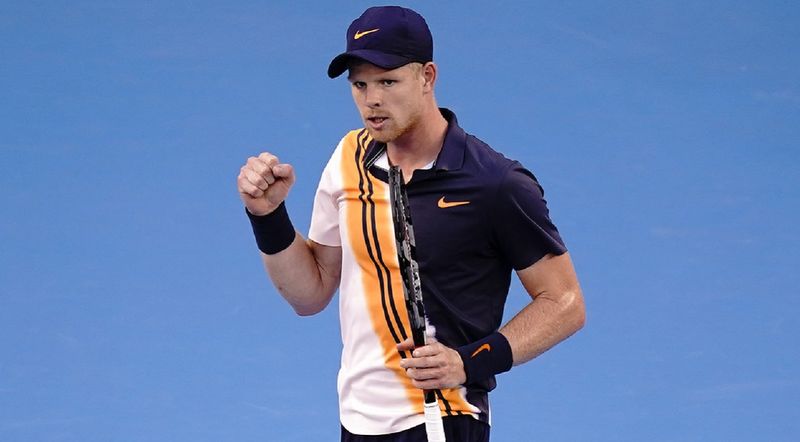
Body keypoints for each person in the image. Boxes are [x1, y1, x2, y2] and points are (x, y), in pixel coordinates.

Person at [237, 6, 585, 441]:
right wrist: (267, 216)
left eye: (387, 82)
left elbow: (564, 301)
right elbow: (310, 293)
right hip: (357, 419)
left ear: (427, 77)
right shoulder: (349, 158)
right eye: (360, 84)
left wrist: (469, 361)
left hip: (442, 418)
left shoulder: (494, 183)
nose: (372, 99)